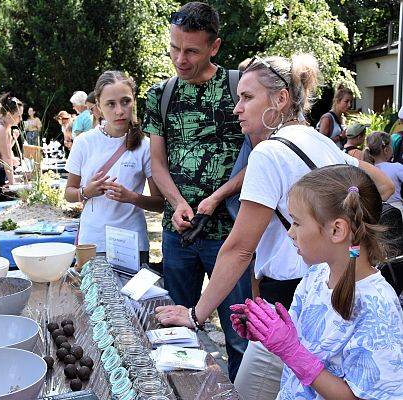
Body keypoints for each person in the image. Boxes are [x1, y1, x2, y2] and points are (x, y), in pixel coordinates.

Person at [154, 53, 394, 399]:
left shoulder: (267, 153)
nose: (237, 108)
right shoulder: (318, 139)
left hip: (293, 296)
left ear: (280, 100)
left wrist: (195, 313)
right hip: (327, 284)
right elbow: (382, 188)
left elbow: (240, 248)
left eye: (247, 97)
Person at [143, 1, 250, 382]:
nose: (180, 59)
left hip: (233, 237)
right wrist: (177, 202)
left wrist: (218, 196)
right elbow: (158, 162)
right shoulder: (160, 94)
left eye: (191, 50)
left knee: (240, 338)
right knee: (176, 328)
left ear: (214, 47)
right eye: (174, 47)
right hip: (179, 235)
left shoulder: (241, 87)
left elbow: (259, 158)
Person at [232, 165, 403, 399]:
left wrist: (291, 351)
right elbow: (301, 333)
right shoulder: (317, 274)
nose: (290, 233)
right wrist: (267, 327)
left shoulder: (378, 307)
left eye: (297, 223)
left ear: (336, 230)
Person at [65, 71, 164, 263]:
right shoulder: (84, 142)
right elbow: (69, 193)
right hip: (93, 242)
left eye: (125, 101)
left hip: (132, 244)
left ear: (134, 101)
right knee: (93, 293)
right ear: (98, 107)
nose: (119, 110)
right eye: (111, 104)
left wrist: (132, 197)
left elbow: (159, 204)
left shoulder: (146, 146)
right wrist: (86, 192)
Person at [364, 131, 403, 216]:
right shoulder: (397, 167)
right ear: (386, 150)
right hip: (397, 210)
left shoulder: (366, 170)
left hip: (374, 211)